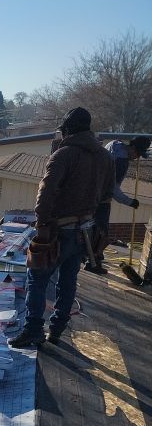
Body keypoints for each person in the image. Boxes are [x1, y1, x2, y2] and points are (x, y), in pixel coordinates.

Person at [9, 107, 114, 348]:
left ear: (67, 130)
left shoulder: (64, 155)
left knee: (36, 278)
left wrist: (42, 225)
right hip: (85, 232)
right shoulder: (104, 157)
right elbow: (107, 196)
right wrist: (99, 230)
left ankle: (34, 330)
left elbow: (45, 194)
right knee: (68, 280)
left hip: (58, 230)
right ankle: (56, 329)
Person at [87, 134, 150, 276]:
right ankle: (92, 263)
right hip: (102, 199)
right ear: (133, 148)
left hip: (90, 194)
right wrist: (130, 202)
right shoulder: (121, 162)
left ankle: (93, 257)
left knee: (93, 230)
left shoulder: (113, 144)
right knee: (102, 233)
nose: (137, 157)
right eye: (138, 153)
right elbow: (113, 188)